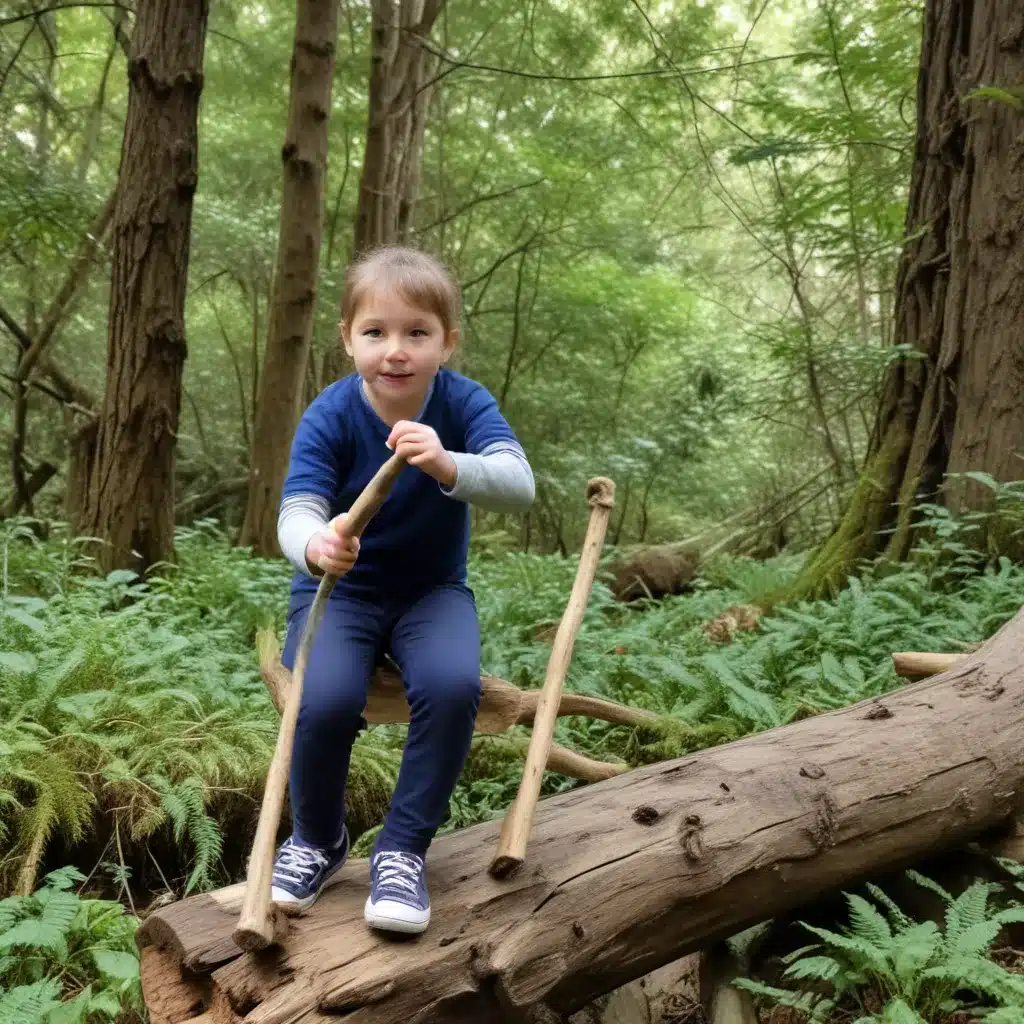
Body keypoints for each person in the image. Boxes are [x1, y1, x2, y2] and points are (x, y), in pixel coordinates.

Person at [270, 245, 535, 935]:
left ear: (447, 341)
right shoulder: (329, 415)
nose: (395, 351)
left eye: (417, 333)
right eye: (376, 332)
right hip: (339, 594)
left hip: (431, 593)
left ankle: (402, 851)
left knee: (452, 689)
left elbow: (519, 482)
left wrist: (451, 465)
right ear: (349, 339)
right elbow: (296, 509)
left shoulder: (464, 402)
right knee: (323, 701)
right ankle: (319, 840)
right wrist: (315, 544)